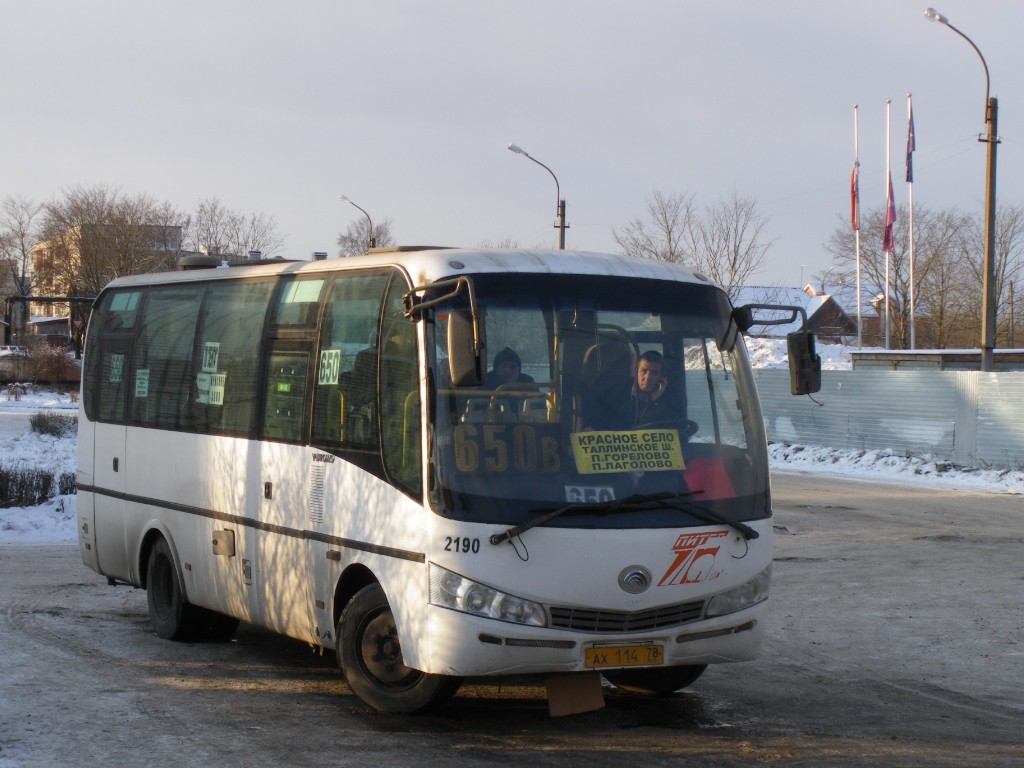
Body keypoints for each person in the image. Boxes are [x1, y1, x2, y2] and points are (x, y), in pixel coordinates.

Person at [586, 349, 680, 431]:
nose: (647, 378)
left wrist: (654, 401)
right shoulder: (615, 394)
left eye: (654, 373)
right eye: (644, 371)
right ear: (636, 371)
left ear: (662, 376)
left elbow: (674, 432)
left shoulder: (669, 400)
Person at [482, 347, 535, 417]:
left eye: (513, 367)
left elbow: (539, 408)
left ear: (518, 370)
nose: (508, 371)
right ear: (496, 369)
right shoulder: (485, 382)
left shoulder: (527, 382)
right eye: (504, 366)